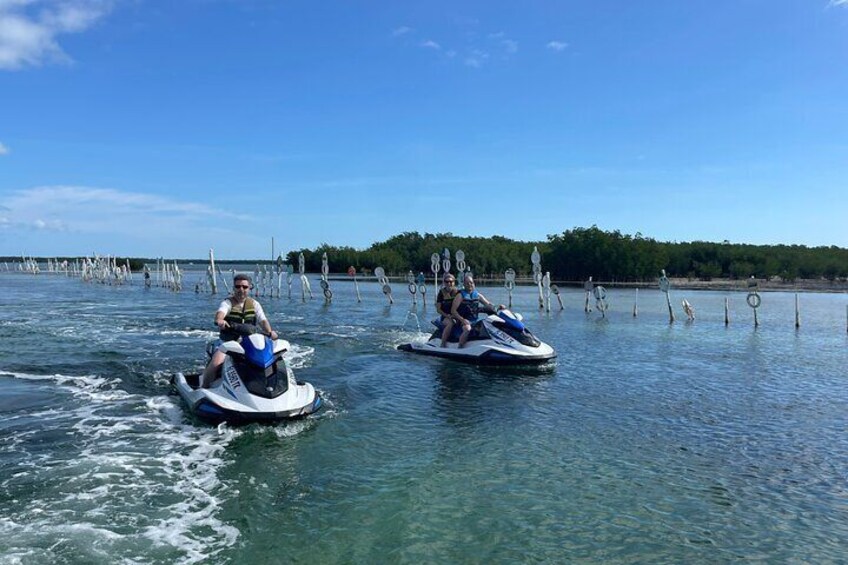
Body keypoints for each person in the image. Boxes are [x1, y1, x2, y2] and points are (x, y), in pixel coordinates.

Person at [201, 274, 278, 387]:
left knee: (271, 359)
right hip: (228, 343)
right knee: (216, 363)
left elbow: (263, 320)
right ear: (234, 288)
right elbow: (220, 313)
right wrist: (220, 321)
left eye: (244, 287)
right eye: (238, 287)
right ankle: (204, 388)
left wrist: (270, 332)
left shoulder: (255, 304)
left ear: (250, 288)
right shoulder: (227, 303)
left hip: (249, 343)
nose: (241, 290)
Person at [451, 274, 503, 348]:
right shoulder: (460, 296)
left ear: (474, 284)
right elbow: (453, 311)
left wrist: (499, 308)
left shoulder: (478, 295)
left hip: (475, 320)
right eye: (467, 283)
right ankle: (460, 346)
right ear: (464, 284)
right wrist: (462, 320)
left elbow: (489, 305)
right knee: (468, 329)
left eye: (471, 283)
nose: (469, 284)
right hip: (462, 321)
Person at [435, 274, 458, 347]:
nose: (449, 283)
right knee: (450, 323)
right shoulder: (441, 293)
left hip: (457, 316)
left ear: (454, 282)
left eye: (451, 282)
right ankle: (443, 343)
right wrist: (447, 316)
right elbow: (438, 310)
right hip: (445, 316)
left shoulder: (458, 292)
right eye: (447, 281)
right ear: (444, 283)